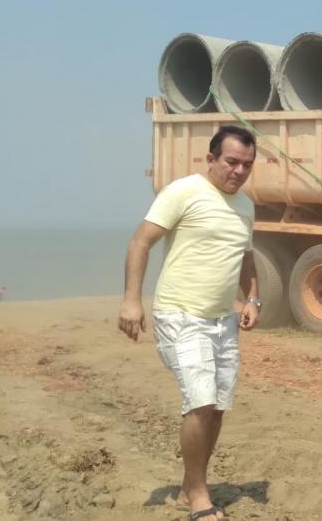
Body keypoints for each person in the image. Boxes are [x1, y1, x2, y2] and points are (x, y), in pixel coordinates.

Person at [118, 125, 261, 521]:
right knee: (199, 402)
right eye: (231, 162)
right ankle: (199, 497)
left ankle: (187, 486)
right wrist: (131, 300)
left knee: (216, 407)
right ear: (210, 159)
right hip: (181, 314)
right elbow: (140, 242)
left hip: (222, 321)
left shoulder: (245, 206)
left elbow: (245, 256)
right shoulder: (183, 192)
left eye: (247, 164)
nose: (238, 171)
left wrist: (251, 298)